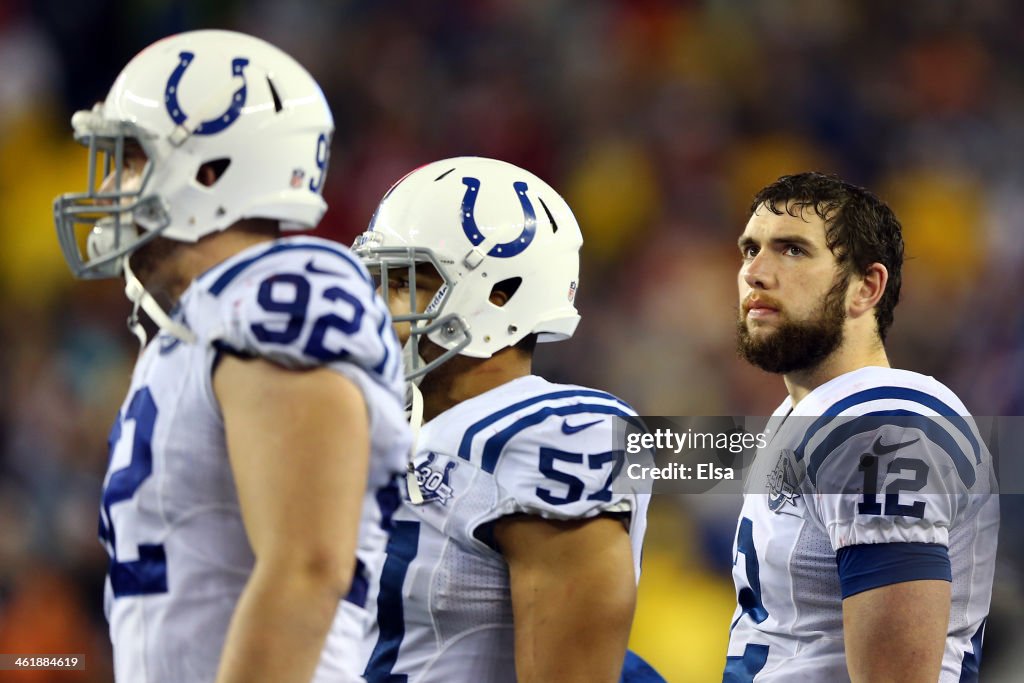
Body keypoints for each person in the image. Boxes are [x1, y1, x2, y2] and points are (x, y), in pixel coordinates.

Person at [52, 30, 410, 683]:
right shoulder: (191, 328)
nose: (108, 185)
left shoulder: (273, 295)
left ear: (210, 170)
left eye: (129, 160)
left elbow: (309, 564)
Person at [351, 156, 654, 683]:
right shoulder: (391, 429)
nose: (377, 306)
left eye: (404, 283)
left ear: (499, 294)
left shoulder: (548, 433)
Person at [725, 172, 998, 682]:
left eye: (792, 250)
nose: (755, 273)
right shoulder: (806, 415)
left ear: (865, 287)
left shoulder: (881, 424)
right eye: (749, 250)